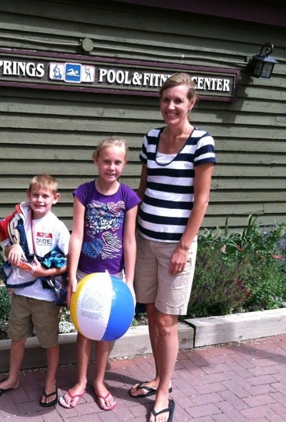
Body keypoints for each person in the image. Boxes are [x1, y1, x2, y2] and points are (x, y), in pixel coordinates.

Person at [129, 73, 216, 422]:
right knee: (151, 313)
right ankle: (157, 376)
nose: (171, 106)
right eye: (166, 100)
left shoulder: (201, 142)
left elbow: (202, 201)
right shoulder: (151, 139)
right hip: (145, 240)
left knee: (167, 320)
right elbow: (141, 189)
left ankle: (165, 389)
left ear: (191, 103)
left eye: (178, 100)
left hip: (176, 247)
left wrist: (184, 246)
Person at [58, 138, 140, 411]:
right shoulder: (84, 193)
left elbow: (129, 240)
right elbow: (77, 235)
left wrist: (129, 279)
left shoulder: (128, 197)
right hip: (85, 275)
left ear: (125, 164)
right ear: (96, 160)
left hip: (114, 278)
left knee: (107, 333)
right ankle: (81, 380)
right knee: (85, 330)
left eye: (118, 162)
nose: (111, 167)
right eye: (106, 161)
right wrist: (71, 275)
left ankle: (100, 381)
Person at [0, 174, 70, 408]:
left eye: (45, 196)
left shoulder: (58, 227)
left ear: (55, 198)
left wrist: (46, 273)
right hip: (21, 294)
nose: (39, 200)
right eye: (35, 195)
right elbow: (6, 249)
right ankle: (13, 379)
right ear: (28, 195)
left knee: (49, 342)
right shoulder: (17, 221)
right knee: (17, 338)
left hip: (45, 298)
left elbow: (68, 262)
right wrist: (12, 248)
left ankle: (51, 382)